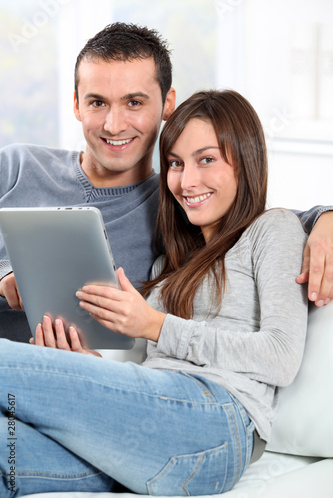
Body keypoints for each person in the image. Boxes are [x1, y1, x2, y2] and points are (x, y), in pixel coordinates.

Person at [0, 89, 308, 497]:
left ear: (245, 161)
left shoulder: (273, 229)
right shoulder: (169, 265)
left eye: (207, 159)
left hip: (217, 424)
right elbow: (152, 375)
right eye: (176, 164)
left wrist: (156, 325)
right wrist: (87, 367)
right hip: (158, 442)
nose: (187, 180)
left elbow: (280, 357)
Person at [0, 23, 332, 344]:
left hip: (55, 379)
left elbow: (258, 215)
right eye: (97, 102)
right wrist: (5, 276)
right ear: (76, 104)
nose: (114, 125)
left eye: (134, 102)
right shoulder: (17, 165)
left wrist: (326, 220)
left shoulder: (178, 205)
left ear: (167, 104)